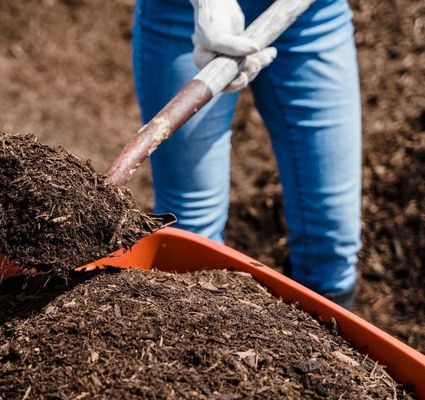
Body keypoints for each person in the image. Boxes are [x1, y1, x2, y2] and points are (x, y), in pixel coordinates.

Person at [132, 0, 361, 308]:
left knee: (332, 238)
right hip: (186, 16)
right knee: (191, 233)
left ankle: (325, 349)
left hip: (311, 15)